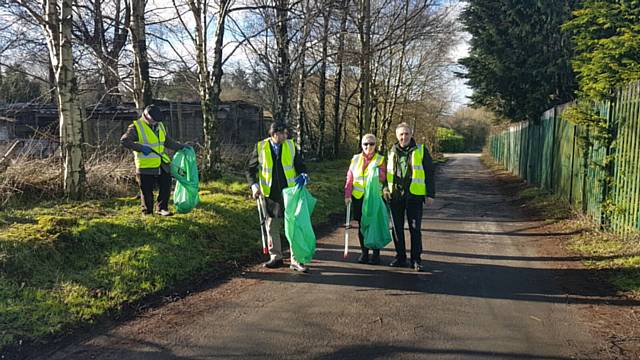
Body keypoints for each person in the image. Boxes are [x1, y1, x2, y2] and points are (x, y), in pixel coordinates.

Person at [246, 122, 309, 272]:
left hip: (289, 192)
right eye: (283, 133)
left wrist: (304, 175)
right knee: (271, 225)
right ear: (275, 134)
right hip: (269, 193)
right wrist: (254, 186)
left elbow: (300, 165)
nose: (286, 136)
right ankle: (276, 257)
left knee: (293, 226)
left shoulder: (291, 146)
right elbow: (249, 169)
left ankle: (296, 259)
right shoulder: (260, 147)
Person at [383, 122, 435, 271]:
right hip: (396, 195)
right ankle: (400, 257)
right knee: (396, 228)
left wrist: (430, 194)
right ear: (396, 135)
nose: (404, 137)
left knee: (415, 229)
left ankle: (416, 259)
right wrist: (386, 189)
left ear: (411, 135)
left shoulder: (421, 150)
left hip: (414, 196)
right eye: (401, 134)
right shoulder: (391, 152)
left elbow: (430, 173)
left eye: (406, 134)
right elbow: (387, 174)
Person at [121, 104, 186, 216]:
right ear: (146, 116)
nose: (156, 122)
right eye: (154, 120)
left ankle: (162, 208)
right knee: (146, 190)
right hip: (145, 164)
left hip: (162, 162)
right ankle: (147, 212)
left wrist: (181, 147)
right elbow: (124, 141)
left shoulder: (160, 125)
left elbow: (167, 141)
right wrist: (141, 148)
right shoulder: (136, 127)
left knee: (166, 185)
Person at [344, 133, 387, 265]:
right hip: (359, 198)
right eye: (365, 144)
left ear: (376, 145)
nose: (368, 146)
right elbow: (350, 178)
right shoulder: (355, 159)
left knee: (374, 225)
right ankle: (364, 253)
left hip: (374, 198)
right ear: (361, 145)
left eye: (371, 144)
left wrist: (379, 175)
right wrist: (347, 194)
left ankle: (376, 254)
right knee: (362, 226)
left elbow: (385, 178)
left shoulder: (380, 159)